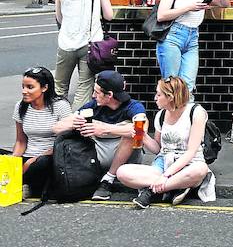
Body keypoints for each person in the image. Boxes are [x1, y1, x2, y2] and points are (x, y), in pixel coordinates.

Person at [117, 76, 215, 208]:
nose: (155, 98)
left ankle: (152, 191)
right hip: (163, 163)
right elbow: (158, 149)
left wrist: (166, 176)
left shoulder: (196, 112)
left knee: (200, 170)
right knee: (122, 172)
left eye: (158, 94)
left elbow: (191, 152)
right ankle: (176, 186)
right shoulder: (161, 115)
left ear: (170, 97)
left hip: (189, 163)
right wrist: (144, 137)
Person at [53, 70, 147, 200]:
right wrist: (74, 123)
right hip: (97, 156)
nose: (93, 95)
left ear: (109, 95)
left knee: (130, 134)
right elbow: (57, 128)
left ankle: (108, 179)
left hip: (126, 157)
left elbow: (141, 131)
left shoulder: (133, 107)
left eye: (97, 92)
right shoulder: (92, 107)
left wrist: (105, 129)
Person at [155, 0, 230, 95]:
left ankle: (186, 116)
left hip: (193, 37)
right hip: (172, 37)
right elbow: (161, 15)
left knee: (188, 85)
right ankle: (170, 117)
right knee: (171, 85)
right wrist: (188, 7)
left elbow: (225, 4)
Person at [54, 0, 115, 110]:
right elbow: (109, 15)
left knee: (59, 86)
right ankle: (76, 121)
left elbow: (59, 18)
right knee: (85, 85)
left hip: (66, 43)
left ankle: (59, 116)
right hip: (90, 45)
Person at [12, 66, 72, 195]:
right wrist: (12, 163)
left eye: (30, 87)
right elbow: (21, 141)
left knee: (40, 164)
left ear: (44, 88)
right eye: (23, 86)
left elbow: (65, 143)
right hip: (28, 155)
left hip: (51, 157)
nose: (24, 91)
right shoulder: (20, 106)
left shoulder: (60, 105)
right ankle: (18, 182)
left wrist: (33, 160)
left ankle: (19, 184)